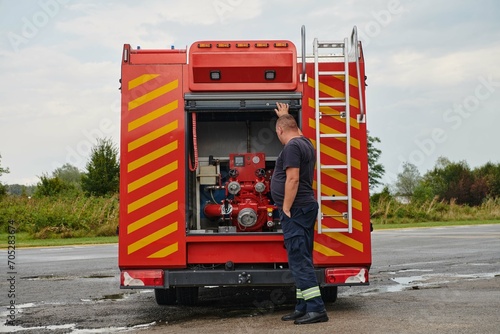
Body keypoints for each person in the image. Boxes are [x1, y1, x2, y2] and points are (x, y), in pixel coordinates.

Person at [271, 102, 328, 325]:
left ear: (280, 131)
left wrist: (285, 207)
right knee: (301, 257)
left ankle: (316, 309)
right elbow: (295, 129)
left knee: (298, 260)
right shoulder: (305, 142)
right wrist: (286, 116)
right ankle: (302, 306)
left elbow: (293, 178)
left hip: (295, 209)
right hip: (305, 208)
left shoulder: (292, 147)